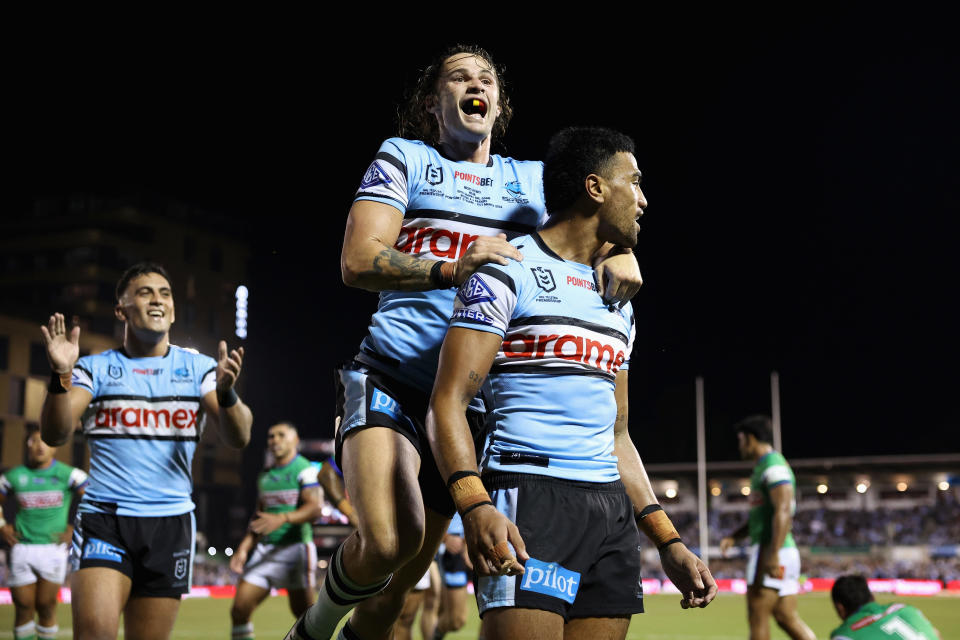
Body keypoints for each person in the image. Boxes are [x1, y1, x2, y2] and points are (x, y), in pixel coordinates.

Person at [286, 45, 643, 640]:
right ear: (433, 103)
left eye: (486, 78)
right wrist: (453, 268)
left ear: (498, 104)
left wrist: (626, 254)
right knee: (385, 542)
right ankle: (313, 630)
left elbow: (589, 224)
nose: (475, 83)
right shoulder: (405, 158)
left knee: (395, 597)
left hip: (473, 407)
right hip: (392, 379)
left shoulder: (529, 180)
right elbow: (357, 260)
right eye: (458, 76)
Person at [426, 127, 717, 640]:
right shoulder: (506, 271)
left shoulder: (618, 300)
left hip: (609, 513)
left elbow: (618, 435)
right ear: (595, 188)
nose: (645, 200)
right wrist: (474, 505)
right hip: (529, 496)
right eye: (635, 183)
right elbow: (448, 402)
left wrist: (668, 540)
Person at [39, 261, 253, 640]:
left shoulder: (200, 368)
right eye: (145, 292)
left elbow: (239, 437)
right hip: (106, 519)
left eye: (165, 294)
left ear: (172, 310)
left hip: (171, 524)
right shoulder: (95, 369)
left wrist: (227, 394)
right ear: (121, 310)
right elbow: (55, 434)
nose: (157, 300)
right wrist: (60, 376)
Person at [720, 415, 815, 640]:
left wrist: (773, 554)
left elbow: (783, 510)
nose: (739, 445)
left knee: (757, 615)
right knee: (785, 615)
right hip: (780, 549)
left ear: (751, 439)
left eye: (741, 439)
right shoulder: (763, 467)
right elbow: (766, 514)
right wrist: (735, 536)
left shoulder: (773, 466)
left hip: (771, 550)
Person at [229, 422, 324, 639]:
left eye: (282, 435)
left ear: (296, 441)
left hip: (296, 550)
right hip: (265, 550)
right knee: (239, 610)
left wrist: (283, 518)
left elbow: (315, 509)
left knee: (305, 617)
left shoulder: (305, 469)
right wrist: (243, 548)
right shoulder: (265, 475)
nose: (275, 440)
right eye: (271, 436)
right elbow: (259, 517)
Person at [0, 426, 88, 640]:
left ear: (55, 448)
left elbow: (95, 497)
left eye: (45, 442)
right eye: (34, 441)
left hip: (53, 549)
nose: (40, 446)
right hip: (22, 548)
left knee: (46, 607)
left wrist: (75, 527)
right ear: (27, 446)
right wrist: (2, 525)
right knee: (23, 608)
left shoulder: (68, 475)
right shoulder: (14, 476)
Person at [829, 575, 941, 639]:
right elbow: (937, 635)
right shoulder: (906, 610)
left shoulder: (845, 636)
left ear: (840, 608)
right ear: (872, 597)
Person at [432, 513, 470, 640]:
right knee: (456, 620)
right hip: (451, 550)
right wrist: (446, 537)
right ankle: (435, 635)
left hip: (478, 544)